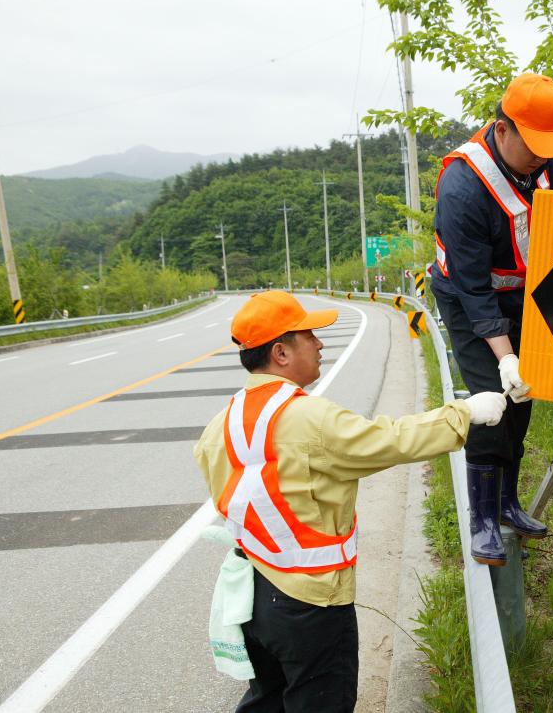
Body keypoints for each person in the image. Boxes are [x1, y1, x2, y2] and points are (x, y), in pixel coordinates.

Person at [193, 290, 506, 712]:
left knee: (266, 700)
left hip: (253, 591)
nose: (321, 344)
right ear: (281, 352)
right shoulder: (308, 417)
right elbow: (389, 440)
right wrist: (464, 414)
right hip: (312, 601)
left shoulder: (222, 422)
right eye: (310, 336)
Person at [432, 71, 553, 565]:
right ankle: (483, 517)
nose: (540, 155)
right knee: (494, 398)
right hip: (470, 300)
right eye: (530, 144)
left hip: (524, 295)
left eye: (547, 146)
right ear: (503, 127)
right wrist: (505, 355)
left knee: (523, 397)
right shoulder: (464, 188)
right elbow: (473, 291)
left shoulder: (545, 152)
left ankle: (508, 501)